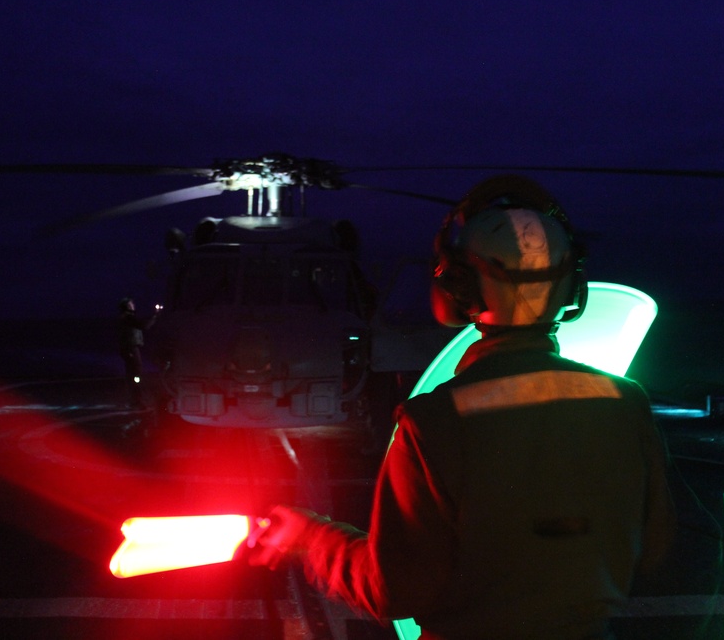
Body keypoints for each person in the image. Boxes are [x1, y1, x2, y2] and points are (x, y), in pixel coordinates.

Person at [247, 175, 676, 639]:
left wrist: (309, 539)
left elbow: (396, 590)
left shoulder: (433, 421)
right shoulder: (626, 402)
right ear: (572, 288)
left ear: (457, 288)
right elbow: (653, 549)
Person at [117, 297, 161, 410]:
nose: (133, 304)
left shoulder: (126, 317)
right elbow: (143, 325)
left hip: (129, 349)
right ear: (127, 306)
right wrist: (155, 316)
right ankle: (136, 402)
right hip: (131, 349)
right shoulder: (128, 318)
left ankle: (134, 400)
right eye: (131, 303)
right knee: (136, 375)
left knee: (133, 375)